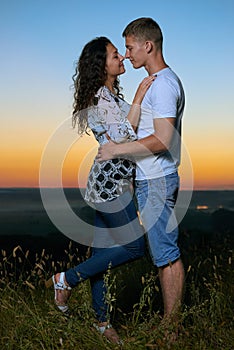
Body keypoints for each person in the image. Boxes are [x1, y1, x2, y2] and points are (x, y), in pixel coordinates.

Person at [46, 36, 154, 344]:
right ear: (101, 64)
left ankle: (102, 323)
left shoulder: (108, 95)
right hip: (110, 185)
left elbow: (125, 136)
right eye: (114, 54)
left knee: (104, 254)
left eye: (119, 53)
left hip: (112, 180)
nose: (120, 57)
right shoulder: (100, 98)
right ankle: (65, 279)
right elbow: (124, 137)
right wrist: (139, 98)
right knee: (134, 248)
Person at [97, 18, 185, 332]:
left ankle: (172, 329)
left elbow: (162, 139)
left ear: (147, 46)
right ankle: (169, 323)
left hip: (158, 180)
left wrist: (116, 151)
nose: (127, 54)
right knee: (162, 252)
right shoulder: (155, 83)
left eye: (130, 47)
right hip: (151, 180)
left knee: (166, 254)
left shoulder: (162, 85)